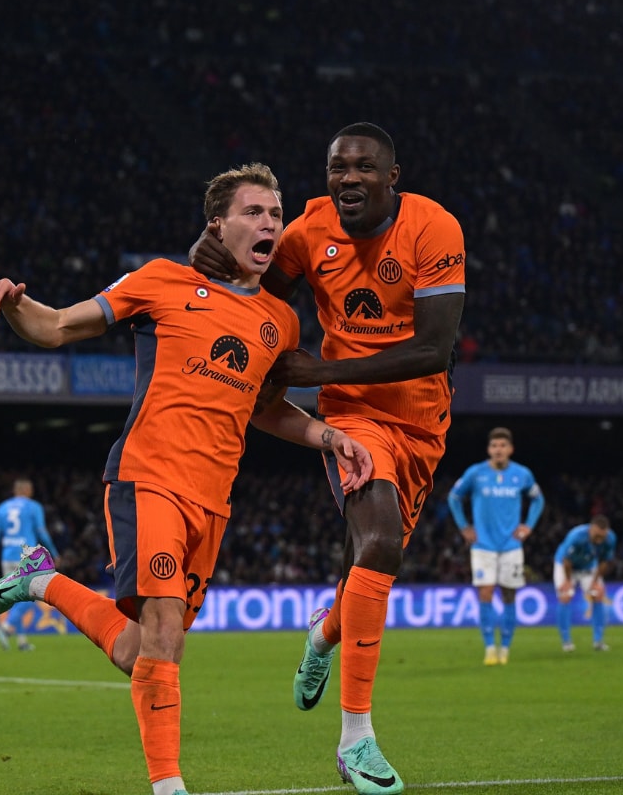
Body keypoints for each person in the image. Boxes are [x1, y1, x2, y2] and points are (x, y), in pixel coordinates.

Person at [0, 162, 374, 795]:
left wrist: (328, 435)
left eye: (275, 214)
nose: (269, 223)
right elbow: (56, 327)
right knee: (165, 633)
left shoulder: (280, 322)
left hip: (213, 502)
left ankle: (43, 582)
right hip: (148, 477)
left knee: (141, 651)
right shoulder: (162, 281)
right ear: (218, 224)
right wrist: (16, 300)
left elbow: (264, 408)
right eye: (253, 212)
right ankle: (169, 788)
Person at [190, 122, 464, 795]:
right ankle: (356, 738)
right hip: (350, 417)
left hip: (423, 424)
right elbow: (252, 293)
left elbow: (435, 350)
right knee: (379, 544)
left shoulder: (433, 230)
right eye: (337, 168)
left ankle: (322, 638)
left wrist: (316, 365)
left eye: (364, 168)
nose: (348, 179)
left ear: (391, 176)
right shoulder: (307, 233)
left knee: (363, 574)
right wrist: (210, 267)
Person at [447, 427, 545, 665]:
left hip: (511, 545)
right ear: (489, 450)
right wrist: (464, 527)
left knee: (510, 594)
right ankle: (490, 647)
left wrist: (528, 526)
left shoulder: (522, 474)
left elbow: (538, 499)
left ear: (510, 449)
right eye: (494, 446)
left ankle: (506, 648)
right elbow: (454, 497)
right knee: (486, 592)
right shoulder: (476, 473)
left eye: (502, 446)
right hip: (483, 545)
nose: (498, 450)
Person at [0, 477, 58, 651]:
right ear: (28, 490)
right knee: (31, 596)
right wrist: (54, 552)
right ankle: (6, 628)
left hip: (7, 557)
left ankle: (21, 641)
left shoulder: (2, 508)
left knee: (16, 597)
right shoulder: (34, 507)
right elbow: (42, 532)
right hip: (27, 557)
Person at [553, 515, 617, 652]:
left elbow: (605, 561)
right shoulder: (576, 536)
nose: (599, 540)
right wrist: (568, 581)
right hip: (565, 565)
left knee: (598, 594)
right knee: (565, 595)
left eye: (602, 537)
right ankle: (566, 642)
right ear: (591, 529)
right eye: (597, 536)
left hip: (588, 566)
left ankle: (598, 641)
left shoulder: (610, 539)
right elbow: (567, 561)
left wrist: (595, 582)